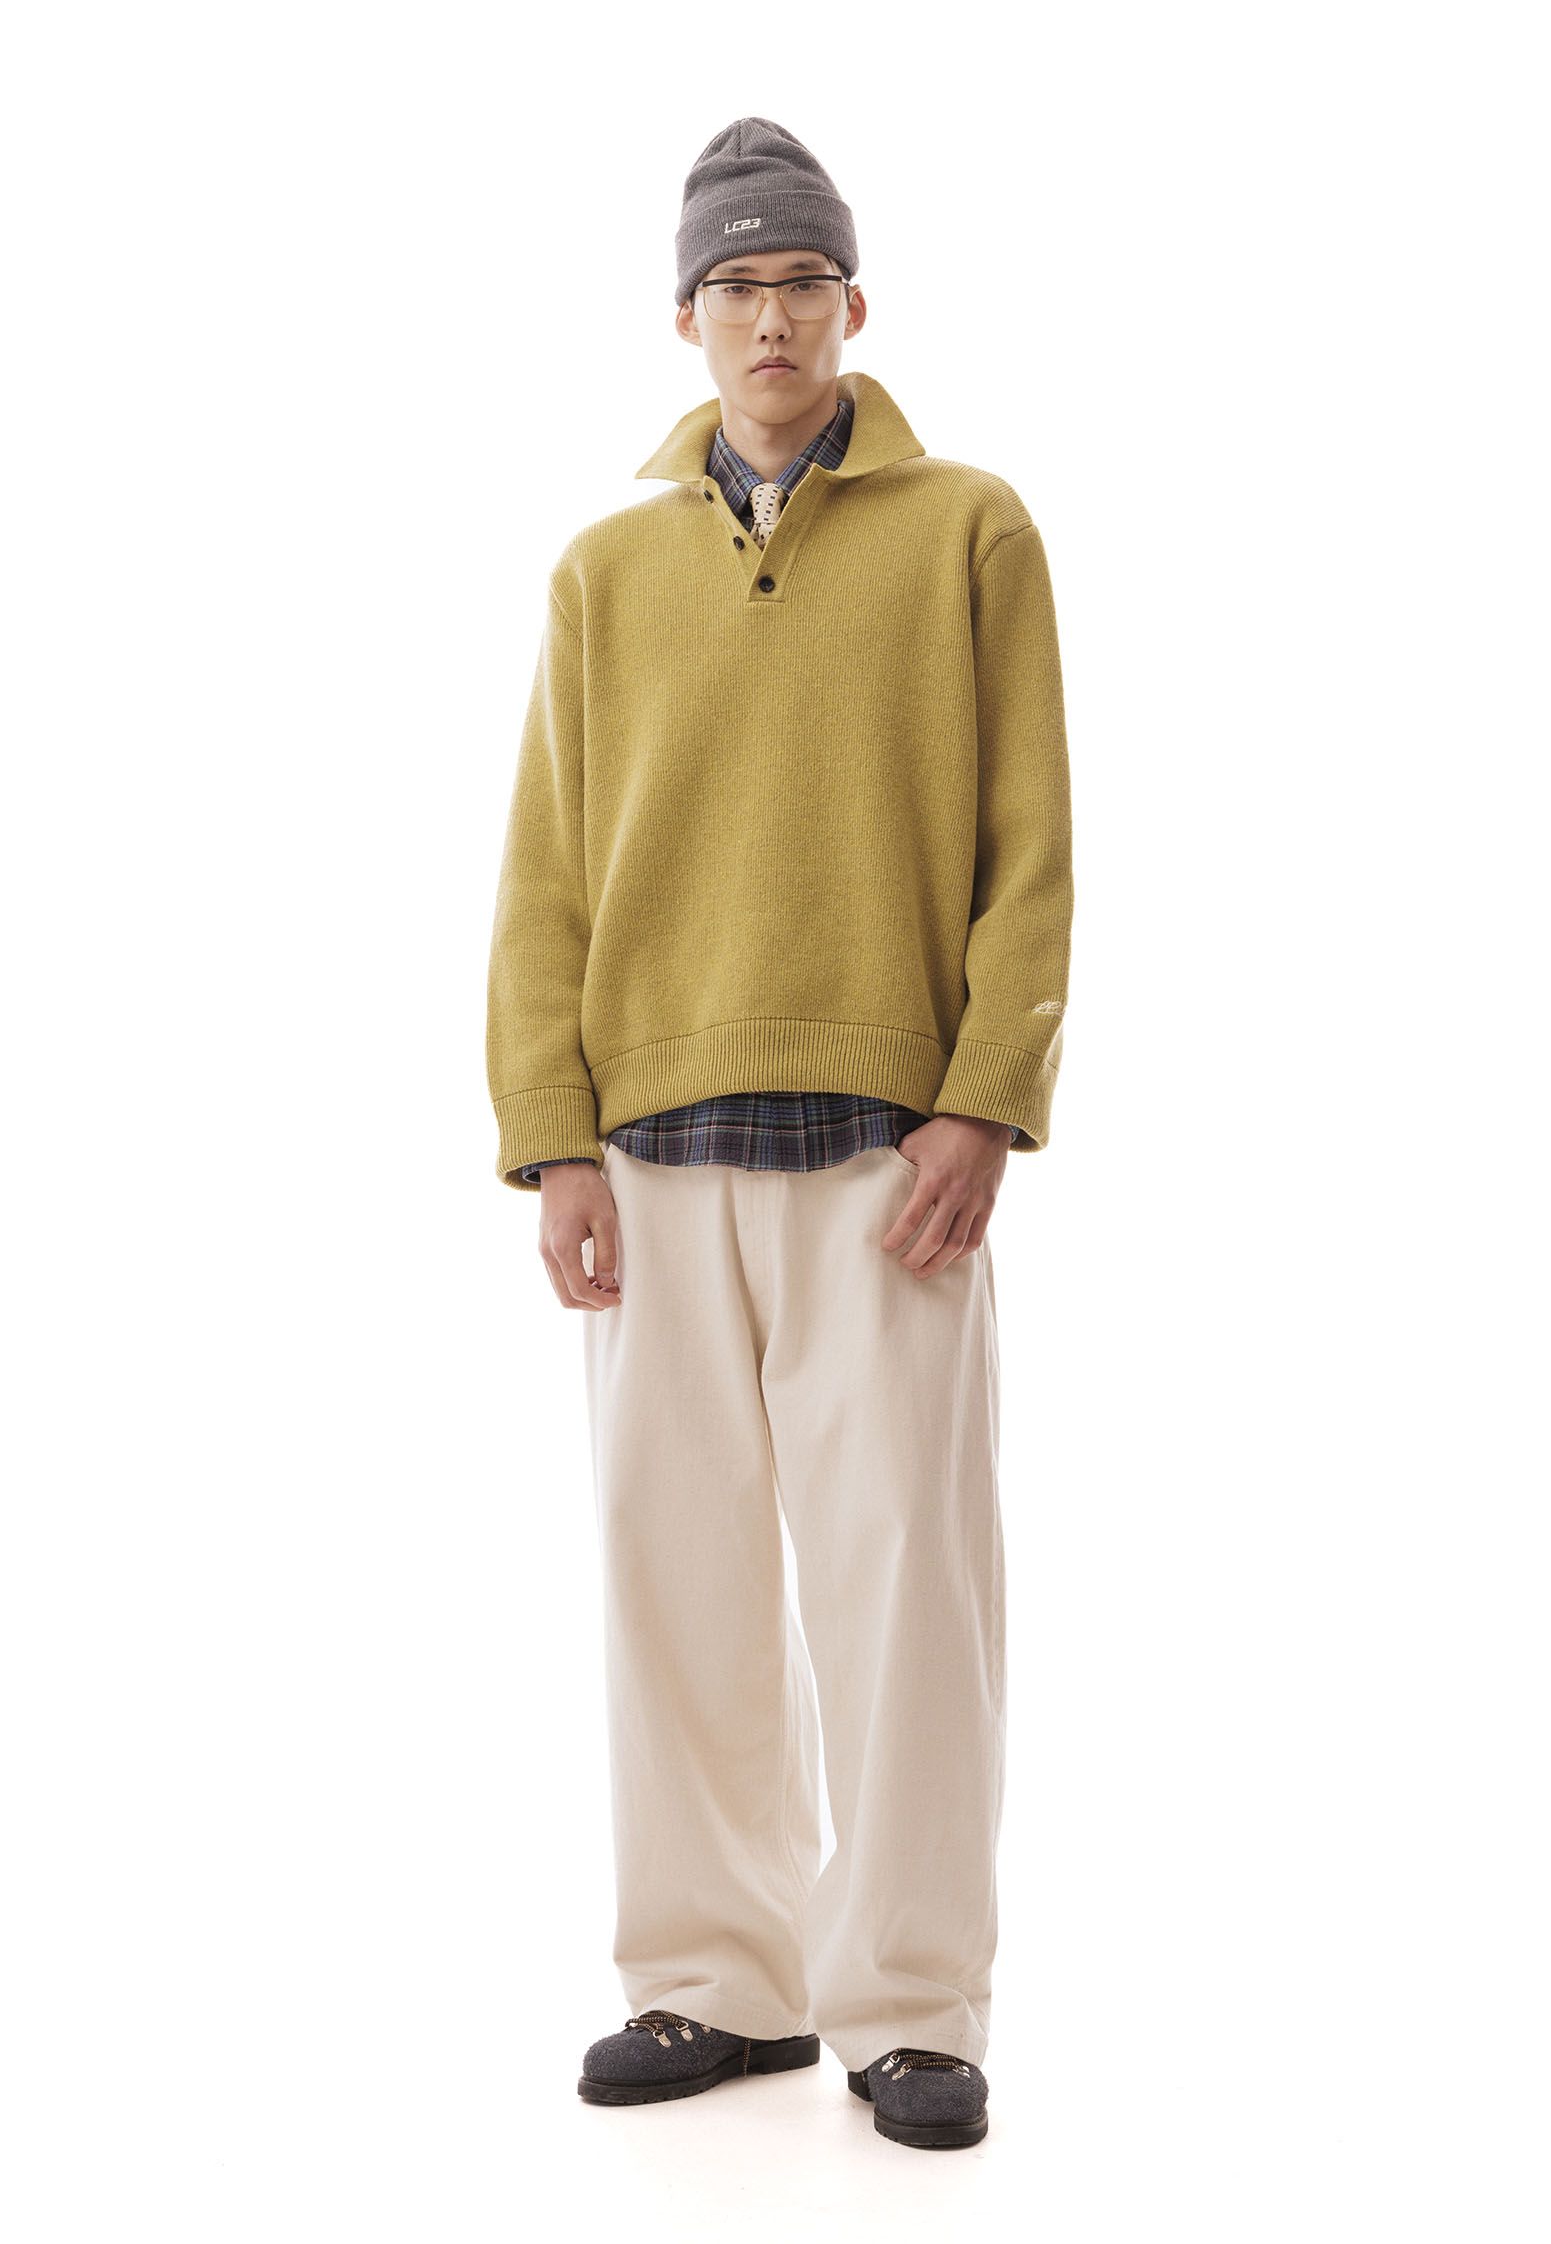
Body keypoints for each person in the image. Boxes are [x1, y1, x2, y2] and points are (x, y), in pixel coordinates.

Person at [485, 115, 1074, 2151]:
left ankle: (910, 2000)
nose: (767, 317)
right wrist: (552, 1132)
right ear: (686, 319)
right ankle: (715, 1981)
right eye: (732, 287)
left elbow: (1029, 848)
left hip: (885, 1158)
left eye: (798, 282)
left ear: (851, 304)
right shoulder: (603, 572)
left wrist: (985, 1095)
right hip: (650, 1147)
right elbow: (545, 878)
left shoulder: (970, 531)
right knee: (675, 1580)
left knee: (907, 1581)